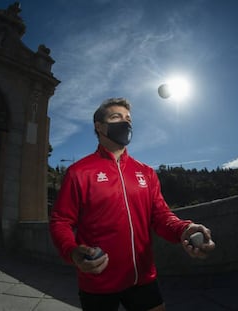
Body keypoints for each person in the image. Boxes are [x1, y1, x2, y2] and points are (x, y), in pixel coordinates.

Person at [49, 98, 215, 311]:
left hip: (144, 278)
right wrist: (71, 251)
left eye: (128, 119)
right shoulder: (78, 172)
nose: (125, 123)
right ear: (99, 127)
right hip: (97, 281)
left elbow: (161, 216)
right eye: (116, 117)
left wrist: (185, 228)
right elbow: (61, 220)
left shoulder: (146, 172)